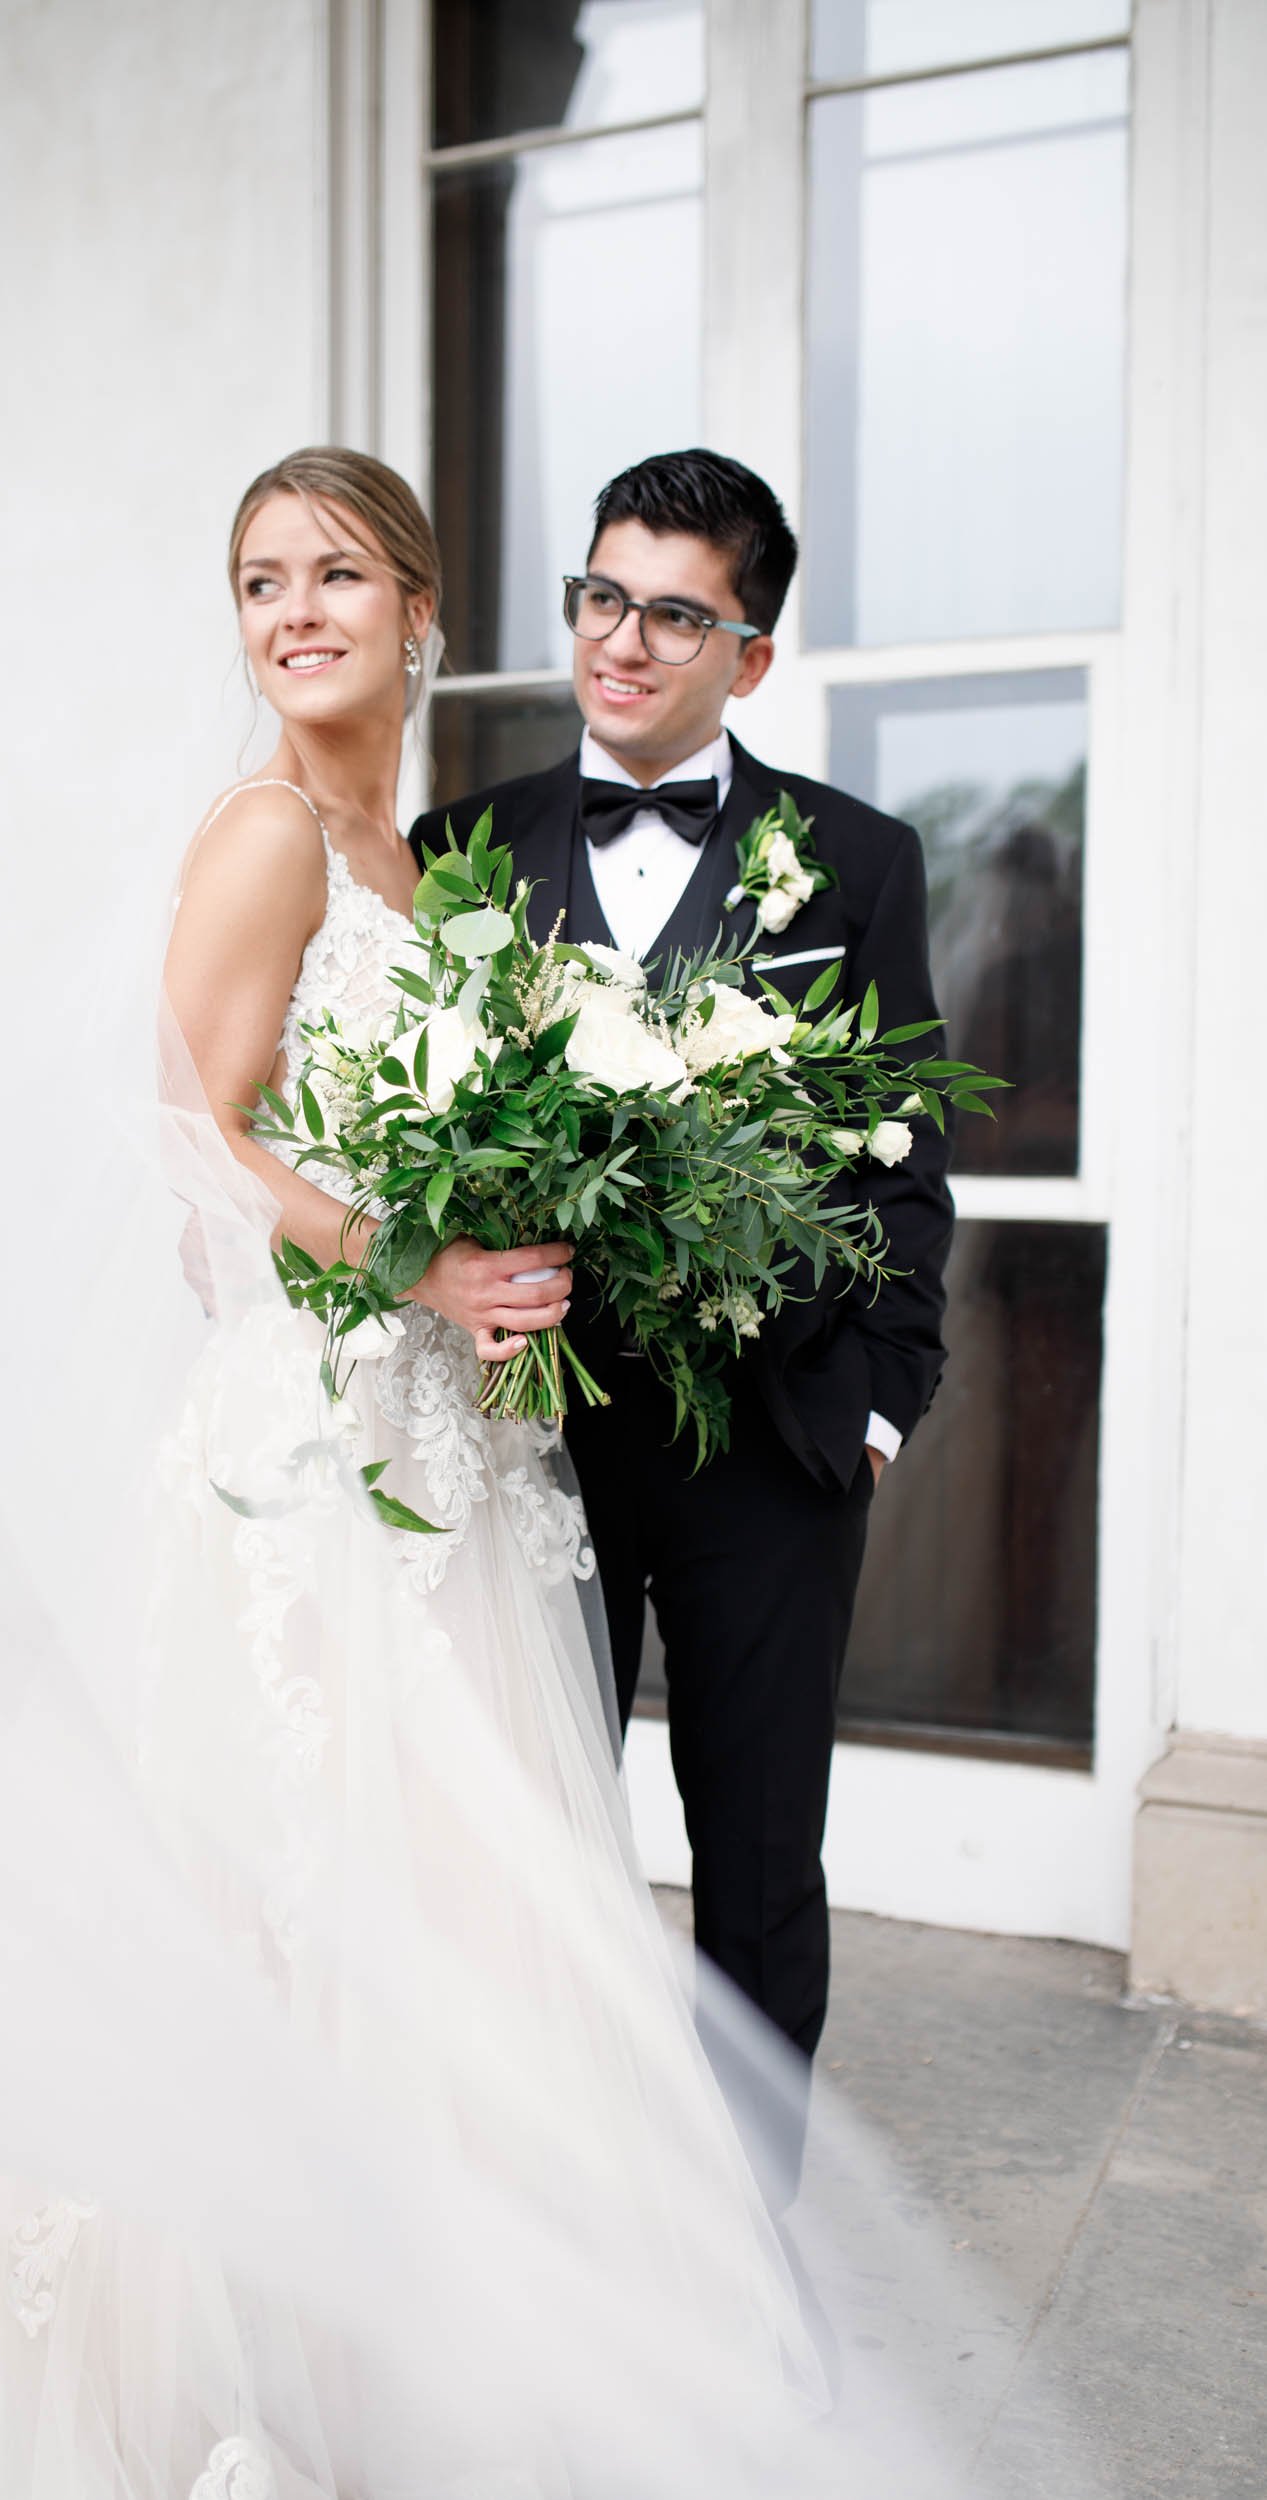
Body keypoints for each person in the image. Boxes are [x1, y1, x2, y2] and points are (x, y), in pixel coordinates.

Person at [0, 448, 941, 2500]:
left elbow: (806, 1140)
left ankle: (442, 2332)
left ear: (418, 608)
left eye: (334, 574)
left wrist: (540, 1285)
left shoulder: (427, 863)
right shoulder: (264, 834)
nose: (294, 611)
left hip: (480, 1459)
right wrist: (421, 1264)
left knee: (462, 1913)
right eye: (257, 581)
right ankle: (191, 2353)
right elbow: (185, 1135)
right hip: (313, 1460)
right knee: (276, 1884)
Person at [410, 450, 954, 2113]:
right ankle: (550, 2215)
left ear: (750, 656)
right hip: (529, 1438)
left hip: (775, 1444)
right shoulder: (460, 850)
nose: (621, 642)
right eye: (601, 597)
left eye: (672, 614)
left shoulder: (857, 858)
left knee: (761, 1866)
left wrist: (878, 1412)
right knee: (525, 1854)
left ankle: (751, 2235)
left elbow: (906, 1161)